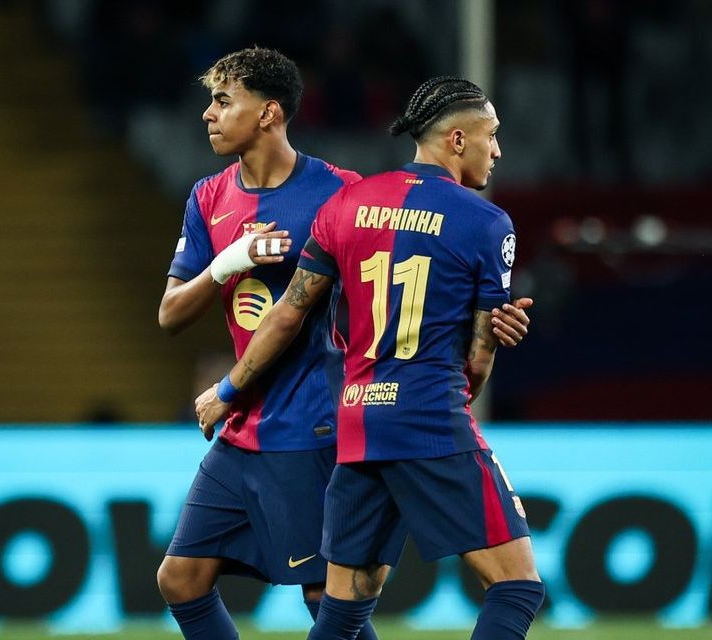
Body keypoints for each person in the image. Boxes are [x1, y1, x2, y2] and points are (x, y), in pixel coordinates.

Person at [196, 76, 543, 640]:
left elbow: (288, 312)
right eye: (492, 135)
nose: (498, 150)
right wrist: (487, 341)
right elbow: (477, 366)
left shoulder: (346, 204)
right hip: (430, 418)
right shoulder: (487, 224)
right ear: (458, 140)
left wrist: (228, 389)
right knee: (517, 587)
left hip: (356, 424)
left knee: (340, 611)